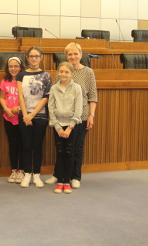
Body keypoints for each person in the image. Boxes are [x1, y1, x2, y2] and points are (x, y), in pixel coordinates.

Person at [45, 42, 98, 189]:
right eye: (70, 54)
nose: (73, 56)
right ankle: (58, 174)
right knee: (61, 147)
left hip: (81, 116)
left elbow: (93, 95)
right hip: (61, 117)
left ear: (81, 55)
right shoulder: (62, 71)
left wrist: (91, 115)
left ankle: (75, 176)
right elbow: (55, 93)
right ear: (66, 56)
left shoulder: (88, 72)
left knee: (76, 147)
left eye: (76, 53)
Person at [17, 46, 52, 188]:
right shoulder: (21, 75)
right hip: (24, 115)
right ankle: (27, 174)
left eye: (36, 56)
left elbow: (46, 97)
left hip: (40, 115)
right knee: (26, 146)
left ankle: (36, 174)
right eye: (31, 56)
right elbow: (20, 95)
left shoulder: (46, 75)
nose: (34, 59)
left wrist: (32, 114)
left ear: (41, 57)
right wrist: (26, 115)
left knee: (37, 146)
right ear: (27, 58)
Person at [48, 62, 82, 194]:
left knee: (69, 152)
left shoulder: (76, 88)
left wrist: (69, 128)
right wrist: (57, 126)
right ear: (58, 73)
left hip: (71, 126)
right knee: (60, 152)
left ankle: (67, 181)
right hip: (58, 126)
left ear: (72, 74)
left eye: (66, 72)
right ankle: (60, 181)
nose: (63, 74)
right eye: (61, 71)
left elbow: (78, 109)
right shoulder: (54, 88)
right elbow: (51, 108)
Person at [0, 56, 25, 183]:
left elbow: (29, 99)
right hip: (8, 117)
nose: (13, 69)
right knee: (13, 144)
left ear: (21, 67)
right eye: (11, 66)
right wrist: (6, 109)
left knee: (23, 144)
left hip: (22, 117)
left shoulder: (24, 81)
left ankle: (23, 170)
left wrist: (19, 108)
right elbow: (2, 98)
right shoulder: (5, 81)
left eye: (16, 66)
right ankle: (14, 170)